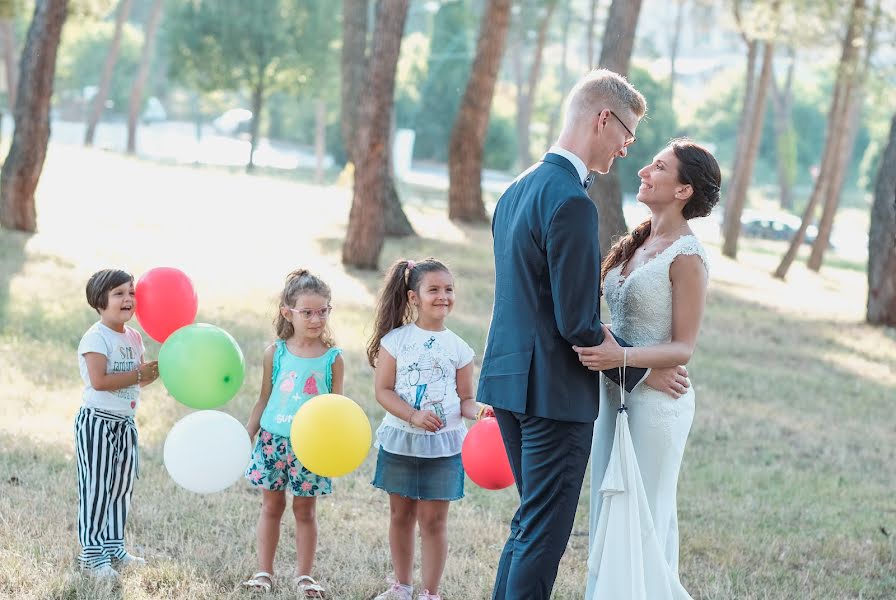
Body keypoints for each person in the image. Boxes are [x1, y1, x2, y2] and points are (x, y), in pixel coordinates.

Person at [477, 69, 691, 600]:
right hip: (552, 393)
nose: (626, 149)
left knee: (529, 524)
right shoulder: (572, 202)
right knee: (544, 534)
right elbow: (576, 322)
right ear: (603, 118)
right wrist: (642, 368)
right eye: (627, 134)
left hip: (507, 380)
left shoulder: (517, 188)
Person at [576, 139, 721, 599]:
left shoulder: (687, 256)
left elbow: (683, 348)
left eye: (659, 167)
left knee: (642, 514)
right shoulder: (637, 241)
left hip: (659, 404)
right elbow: (608, 322)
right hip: (614, 392)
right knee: (607, 503)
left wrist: (623, 359)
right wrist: (621, 364)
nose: (644, 172)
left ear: (683, 190)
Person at [367, 258, 492, 600]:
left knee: (434, 522)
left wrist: (479, 410)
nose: (443, 296)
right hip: (401, 441)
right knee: (401, 515)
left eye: (448, 289)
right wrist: (413, 415)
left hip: (444, 447)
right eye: (433, 289)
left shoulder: (459, 348)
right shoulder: (395, 341)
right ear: (413, 297)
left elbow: (465, 399)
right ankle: (402, 585)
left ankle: (430, 592)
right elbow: (383, 391)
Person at [241, 269, 344, 598]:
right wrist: (248, 434)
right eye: (308, 312)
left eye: (323, 311)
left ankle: (304, 576)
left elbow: (336, 410)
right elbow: (264, 398)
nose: (317, 319)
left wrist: (333, 446)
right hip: (273, 442)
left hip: (310, 447)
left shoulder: (333, 358)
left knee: (305, 510)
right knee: (271, 507)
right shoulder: (276, 352)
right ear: (288, 312)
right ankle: (263, 572)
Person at [75, 269, 160, 578]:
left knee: (121, 488)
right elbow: (99, 381)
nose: (128, 299)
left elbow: (134, 381)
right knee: (96, 488)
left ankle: (113, 546)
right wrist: (139, 375)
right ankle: (91, 553)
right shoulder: (95, 337)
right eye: (119, 294)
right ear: (100, 301)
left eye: (131, 292)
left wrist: (151, 374)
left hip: (125, 423)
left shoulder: (134, 336)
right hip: (97, 422)